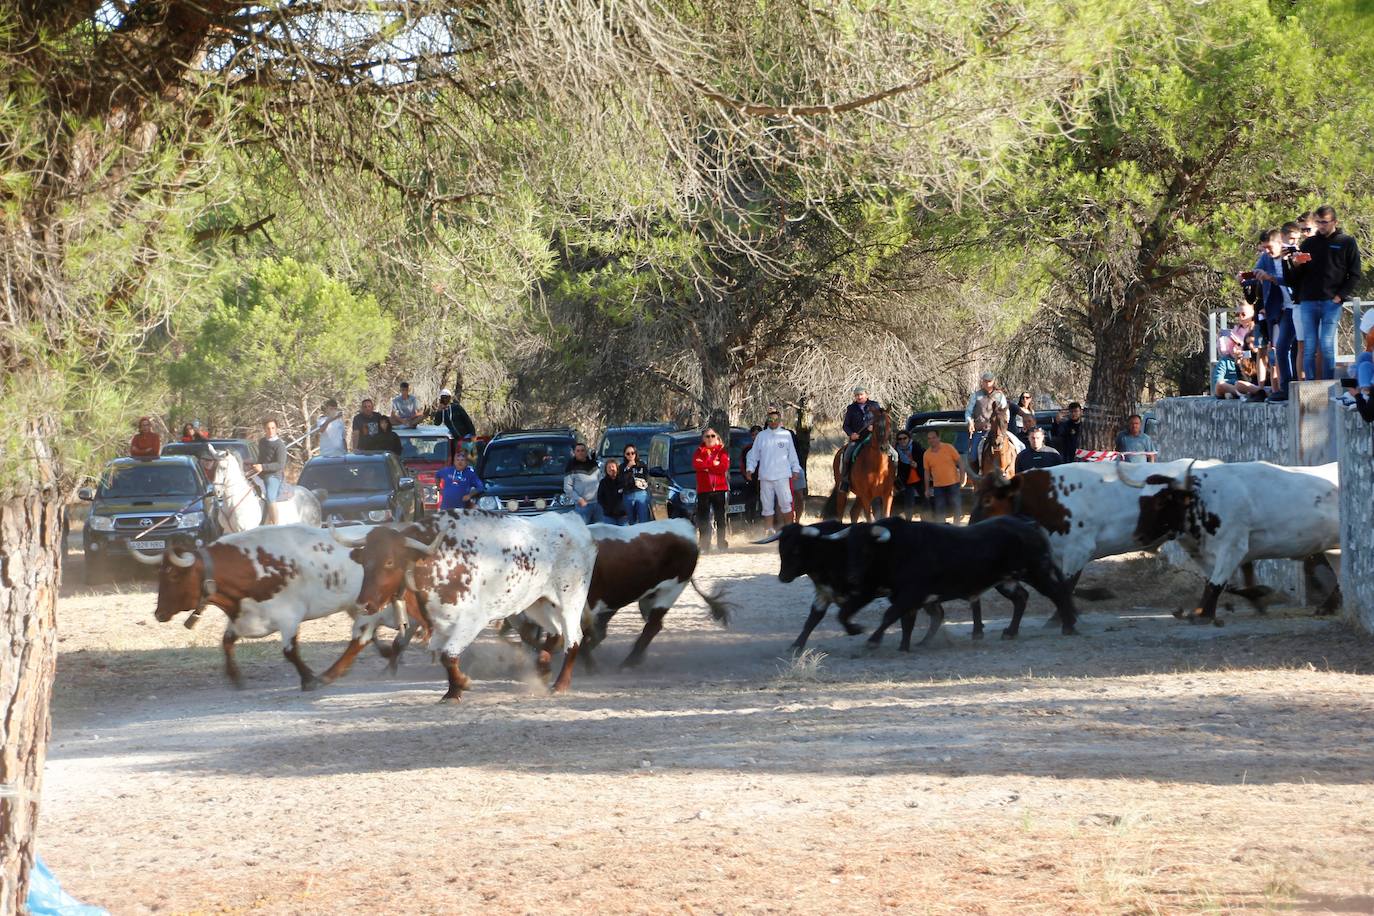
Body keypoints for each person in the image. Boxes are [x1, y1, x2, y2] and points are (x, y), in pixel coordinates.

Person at [1287, 205, 1363, 381]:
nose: (1321, 226)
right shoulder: (1309, 243)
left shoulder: (1346, 242)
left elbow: (1355, 273)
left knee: (1327, 345)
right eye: (1319, 222)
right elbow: (1296, 277)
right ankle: (1311, 385)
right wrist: (1295, 265)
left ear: (1334, 222)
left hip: (1331, 302)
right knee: (1309, 346)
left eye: (1325, 222)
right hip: (1308, 301)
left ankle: (1329, 386)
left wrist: (1340, 296)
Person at [744, 407, 802, 534]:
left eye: (776, 419)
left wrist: (795, 469)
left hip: (782, 475)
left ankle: (789, 529)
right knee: (767, 505)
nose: (773, 422)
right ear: (767, 420)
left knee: (786, 502)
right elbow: (754, 455)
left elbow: (792, 454)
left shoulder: (786, 435)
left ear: (779, 420)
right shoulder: (761, 436)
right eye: (770, 419)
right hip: (765, 476)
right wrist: (750, 469)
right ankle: (769, 529)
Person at [692, 427, 730, 551]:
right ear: (703, 438)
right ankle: (704, 544)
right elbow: (697, 465)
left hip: (719, 489)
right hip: (704, 490)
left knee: (720, 517)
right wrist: (713, 465)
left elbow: (723, 467)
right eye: (707, 436)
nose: (710, 439)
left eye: (712, 436)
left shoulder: (722, 451)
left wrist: (708, 467)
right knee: (703, 518)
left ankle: (721, 543)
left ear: (717, 437)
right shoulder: (699, 451)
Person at [964, 371, 1009, 471]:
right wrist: (970, 422)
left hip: (999, 430)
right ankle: (977, 476)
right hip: (981, 430)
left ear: (993, 382)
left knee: (1019, 446)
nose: (987, 383)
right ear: (982, 382)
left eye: (989, 381)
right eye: (985, 381)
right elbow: (968, 412)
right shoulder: (976, 396)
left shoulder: (1000, 396)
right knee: (973, 455)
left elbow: (1006, 412)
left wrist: (1004, 425)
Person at [250, 417, 287, 524]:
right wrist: (252, 463)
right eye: (268, 428)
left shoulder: (280, 445)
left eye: (273, 428)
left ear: (276, 429)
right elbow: (261, 459)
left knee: (270, 497)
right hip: (261, 474)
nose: (270, 431)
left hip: (274, 475)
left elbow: (280, 465)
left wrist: (263, 467)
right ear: (264, 429)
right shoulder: (262, 442)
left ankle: (276, 524)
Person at [922, 430, 964, 523]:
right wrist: (927, 489)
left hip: (953, 484)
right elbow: (927, 472)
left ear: (938, 438)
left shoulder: (948, 447)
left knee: (956, 507)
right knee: (940, 510)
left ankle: (957, 528)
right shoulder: (926, 454)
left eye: (933, 437)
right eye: (929, 438)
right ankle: (942, 529)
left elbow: (960, 462)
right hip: (938, 486)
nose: (931, 440)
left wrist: (962, 478)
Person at [1212, 332, 1266, 400]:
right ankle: (1246, 394)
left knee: (1238, 385)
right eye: (1248, 343)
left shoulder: (1265, 356)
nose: (1251, 346)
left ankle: (1260, 393)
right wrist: (1238, 364)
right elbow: (1245, 380)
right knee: (1234, 385)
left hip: (1265, 387)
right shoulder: (1247, 358)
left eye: (1253, 342)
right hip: (1248, 387)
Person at [564, 442, 603, 524]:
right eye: (578, 451)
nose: (580, 452)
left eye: (582, 450)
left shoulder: (593, 464)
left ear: (586, 452)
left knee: (600, 532)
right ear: (574, 453)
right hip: (583, 506)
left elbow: (601, 480)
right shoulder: (571, 467)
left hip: (598, 504)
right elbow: (567, 487)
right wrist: (579, 499)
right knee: (584, 533)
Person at [619, 444, 652, 524]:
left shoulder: (641, 464)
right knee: (631, 521)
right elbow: (621, 481)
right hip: (628, 494)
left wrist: (643, 482)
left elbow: (647, 477)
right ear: (625, 455)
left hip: (641, 493)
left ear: (636, 454)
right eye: (628, 454)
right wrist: (628, 468)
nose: (630, 455)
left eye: (632, 453)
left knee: (643, 519)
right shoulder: (622, 467)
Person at [893, 430, 922, 520]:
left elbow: (924, 459)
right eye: (899, 439)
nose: (902, 441)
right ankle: (908, 521)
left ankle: (928, 520)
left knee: (925, 500)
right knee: (908, 502)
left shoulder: (916, 446)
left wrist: (917, 465)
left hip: (920, 478)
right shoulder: (895, 452)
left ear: (909, 438)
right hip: (906, 480)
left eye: (904, 438)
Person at [741, 424, 763, 525]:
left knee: (764, 501)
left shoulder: (767, 448)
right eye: (753, 435)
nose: (755, 437)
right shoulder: (747, 449)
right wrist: (746, 475)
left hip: (764, 478)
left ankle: (762, 522)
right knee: (750, 502)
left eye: (757, 434)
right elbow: (742, 464)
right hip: (751, 479)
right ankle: (749, 521)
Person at [597, 458, 628, 525]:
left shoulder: (623, 481)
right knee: (609, 535)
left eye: (613, 467)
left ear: (617, 468)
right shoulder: (603, 482)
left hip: (623, 515)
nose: (611, 469)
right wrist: (606, 508)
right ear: (606, 470)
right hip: (609, 516)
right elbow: (600, 498)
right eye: (609, 467)